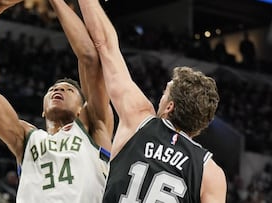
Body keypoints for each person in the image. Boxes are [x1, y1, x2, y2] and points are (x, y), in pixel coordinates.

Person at [76, 0, 227, 202]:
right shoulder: (210, 173)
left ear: (170, 107)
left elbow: (104, 44)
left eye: (165, 94)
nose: (160, 99)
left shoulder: (138, 117)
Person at [0, 0, 114, 202]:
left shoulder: (95, 128)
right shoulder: (27, 138)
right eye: (53, 89)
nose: (59, 88)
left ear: (82, 109)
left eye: (69, 90)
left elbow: (90, 59)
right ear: (43, 111)